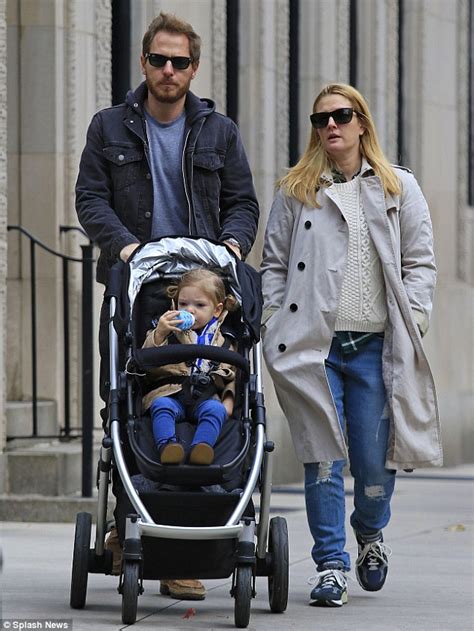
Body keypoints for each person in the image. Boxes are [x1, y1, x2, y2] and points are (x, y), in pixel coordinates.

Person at [75, 11, 259, 600]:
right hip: (140, 284)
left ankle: (188, 540)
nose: (169, 71)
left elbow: (242, 203)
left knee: (211, 393)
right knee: (131, 401)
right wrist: (125, 246)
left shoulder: (218, 132)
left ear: (194, 69)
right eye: (159, 60)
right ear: (145, 63)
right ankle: (134, 525)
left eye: (180, 62)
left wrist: (230, 246)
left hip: (206, 284)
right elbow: (90, 198)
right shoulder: (109, 128)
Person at [261, 83, 441, 608]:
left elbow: (421, 260)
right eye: (321, 120)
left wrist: (419, 316)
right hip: (313, 348)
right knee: (321, 459)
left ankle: (369, 533)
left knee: (372, 462)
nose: (331, 126)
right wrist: (275, 319)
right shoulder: (297, 189)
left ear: (362, 122)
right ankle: (332, 565)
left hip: (376, 348)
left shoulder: (397, 187)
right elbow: (272, 263)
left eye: (341, 116)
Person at [142, 269, 237, 466]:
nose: (190, 310)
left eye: (199, 305)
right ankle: (168, 446)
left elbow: (232, 375)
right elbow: (145, 359)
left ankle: (201, 448)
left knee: (216, 410)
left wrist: (228, 399)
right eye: (183, 304)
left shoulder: (223, 341)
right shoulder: (167, 329)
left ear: (217, 310)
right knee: (160, 406)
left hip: (206, 396)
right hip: (170, 393)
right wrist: (159, 333)